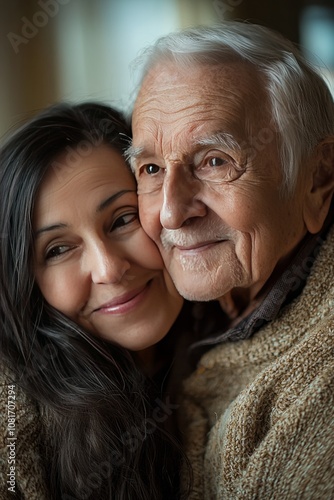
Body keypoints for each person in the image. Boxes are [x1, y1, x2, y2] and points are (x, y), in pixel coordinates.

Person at [129, 21, 334, 498]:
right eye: (152, 169)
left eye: (215, 160)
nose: (171, 212)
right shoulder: (152, 305)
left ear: (318, 179)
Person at [0, 102, 192, 499]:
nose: (108, 269)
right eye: (57, 250)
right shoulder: (11, 403)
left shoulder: (237, 334)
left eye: (123, 219)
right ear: (25, 284)